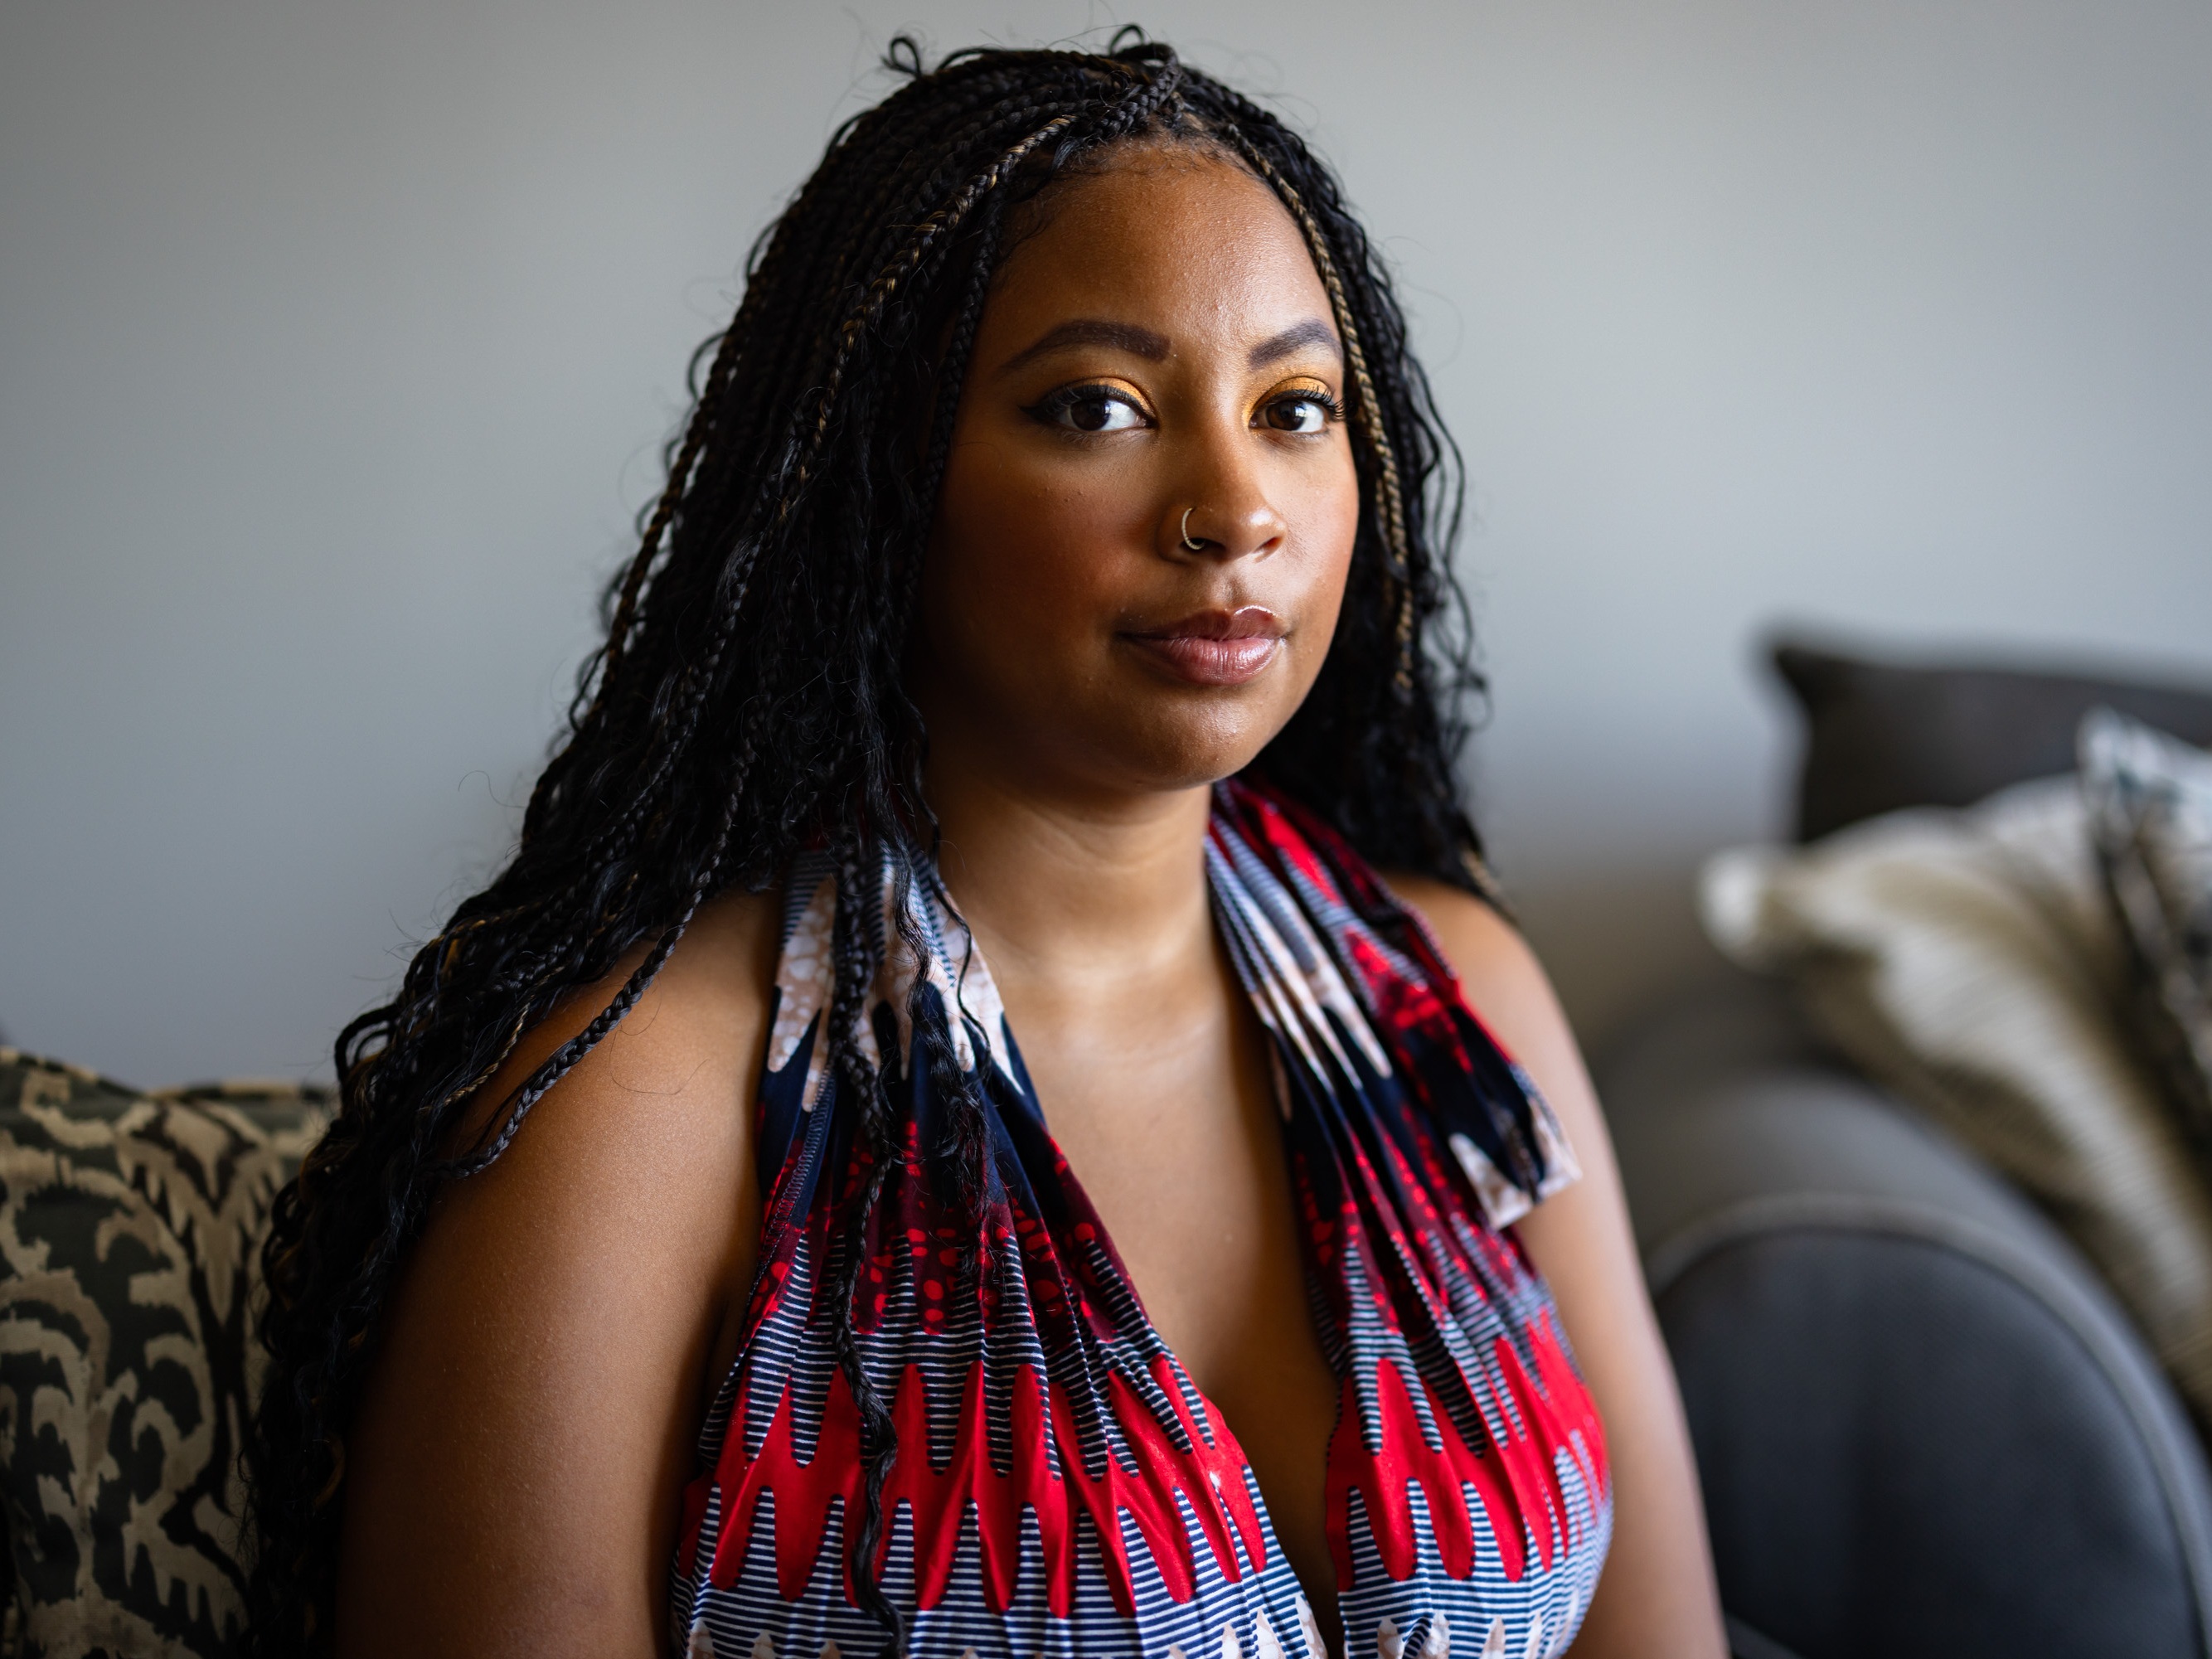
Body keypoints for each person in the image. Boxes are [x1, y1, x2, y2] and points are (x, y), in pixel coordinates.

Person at [245, 37, 1728, 1659]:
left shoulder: (1452, 995)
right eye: (1094, 407)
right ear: (888, 481)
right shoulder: (641, 1108)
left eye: (1293, 407)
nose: (1235, 504)